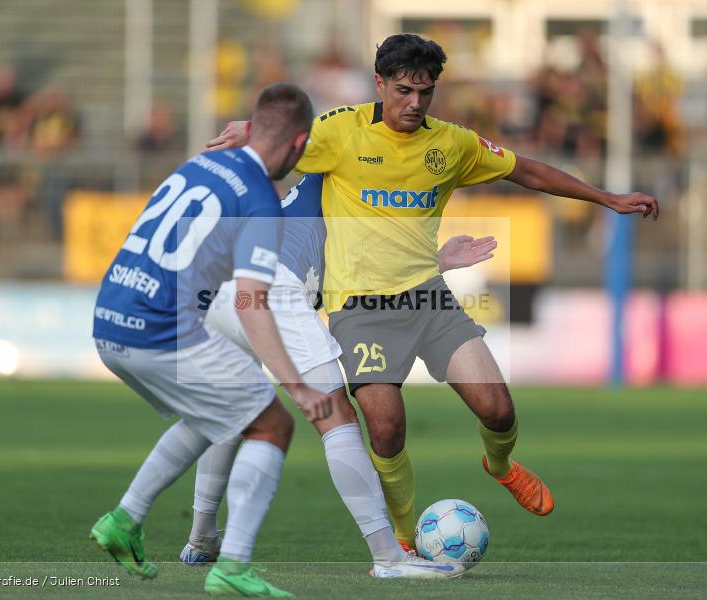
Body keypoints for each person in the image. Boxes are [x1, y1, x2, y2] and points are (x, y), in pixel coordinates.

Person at [207, 33, 659, 552]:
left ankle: (500, 465)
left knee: (498, 410)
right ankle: (402, 539)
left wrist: (606, 198)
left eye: (425, 93)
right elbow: (284, 143)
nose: (414, 104)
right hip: (360, 308)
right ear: (380, 84)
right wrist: (252, 129)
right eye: (403, 91)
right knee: (385, 430)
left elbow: (526, 169)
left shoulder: (451, 143)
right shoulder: (340, 131)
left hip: (429, 299)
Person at [182, 172, 496, 578]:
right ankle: (389, 557)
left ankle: (201, 539)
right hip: (275, 288)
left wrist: (437, 261)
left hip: (224, 284)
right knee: (339, 421)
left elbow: (365, 270)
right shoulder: (349, 174)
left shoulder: (329, 189)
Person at [89, 82, 331, 598]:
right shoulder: (262, 200)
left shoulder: (197, 165)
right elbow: (251, 303)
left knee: (211, 414)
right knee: (272, 425)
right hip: (160, 330)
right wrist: (298, 384)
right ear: (299, 143)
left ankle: (124, 519)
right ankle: (232, 565)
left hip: (109, 317)